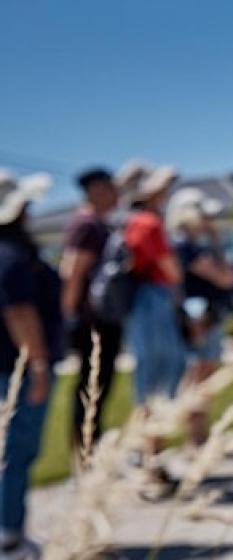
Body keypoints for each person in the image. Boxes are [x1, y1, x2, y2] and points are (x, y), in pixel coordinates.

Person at [0, 170, 61, 560]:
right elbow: (20, 312)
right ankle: (8, 535)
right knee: (16, 451)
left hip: (8, 365)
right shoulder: (12, 255)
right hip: (14, 368)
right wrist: (37, 365)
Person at [123, 165, 186, 497]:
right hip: (154, 303)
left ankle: (148, 456)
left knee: (152, 383)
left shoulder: (133, 223)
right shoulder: (148, 224)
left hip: (146, 305)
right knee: (159, 383)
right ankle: (150, 460)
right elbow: (170, 268)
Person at [169, 190, 233, 446]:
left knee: (204, 378)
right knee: (198, 379)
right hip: (198, 321)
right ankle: (195, 439)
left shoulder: (196, 245)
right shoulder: (184, 247)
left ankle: (199, 437)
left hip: (208, 318)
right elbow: (226, 277)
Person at [59, 167, 121, 448]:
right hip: (91, 320)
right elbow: (73, 272)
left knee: (100, 387)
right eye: (111, 188)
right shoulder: (87, 225)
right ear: (97, 190)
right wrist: (70, 315)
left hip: (102, 317)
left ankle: (90, 446)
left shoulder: (99, 224)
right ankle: (85, 451)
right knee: (91, 387)